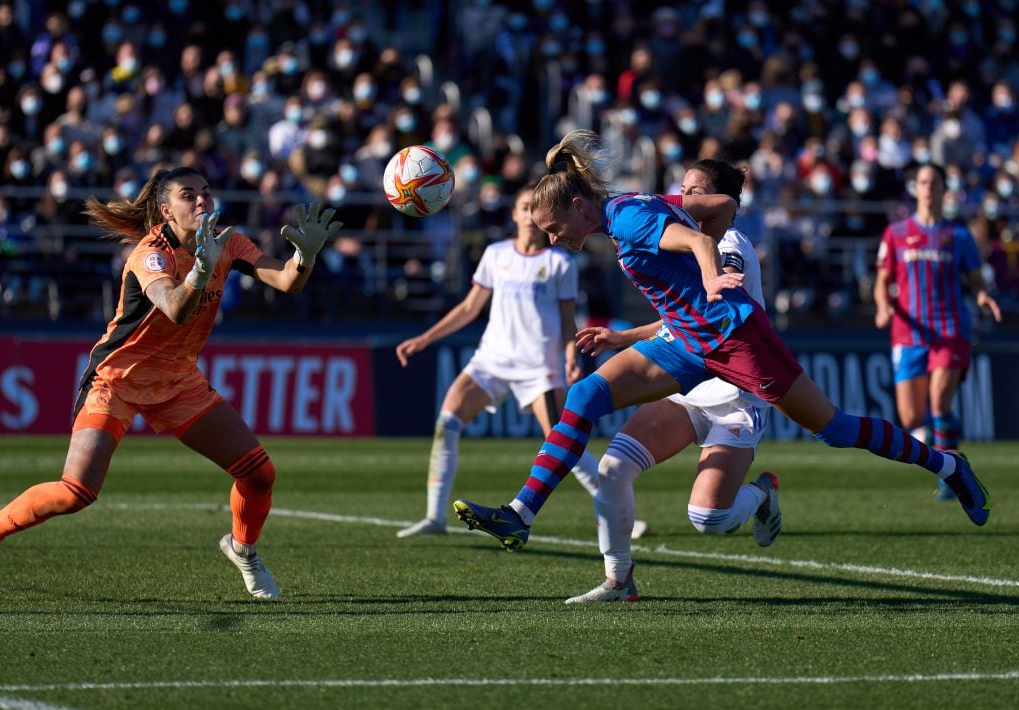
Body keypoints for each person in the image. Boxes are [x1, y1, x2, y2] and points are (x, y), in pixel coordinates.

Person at [453, 130, 991, 590]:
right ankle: (520, 514)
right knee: (585, 395)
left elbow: (700, 242)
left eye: (553, 228)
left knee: (836, 428)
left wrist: (710, 273)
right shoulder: (632, 208)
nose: (552, 238)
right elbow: (715, 209)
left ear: (576, 206)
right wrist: (638, 327)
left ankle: (947, 464)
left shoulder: (628, 220)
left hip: (736, 341)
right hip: (687, 343)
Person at [0, 166, 343, 601]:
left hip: (178, 380)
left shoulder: (229, 242)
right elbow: (175, 308)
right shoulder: (150, 253)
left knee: (259, 474)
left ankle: (243, 549)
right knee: (77, 492)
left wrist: (305, 257)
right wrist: (201, 268)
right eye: (188, 195)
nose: (202, 201)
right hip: (118, 379)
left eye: (206, 192)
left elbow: (288, 281)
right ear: (166, 210)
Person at [566, 159, 779, 603]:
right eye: (683, 188)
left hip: (735, 392)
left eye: (695, 191)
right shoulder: (683, 235)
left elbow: (716, 304)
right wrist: (625, 337)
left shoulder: (730, 243)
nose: (684, 198)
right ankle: (619, 579)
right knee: (613, 469)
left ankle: (760, 494)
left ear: (722, 202)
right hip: (689, 385)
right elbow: (681, 321)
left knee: (708, 518)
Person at [394, 183, 649, 539]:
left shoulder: (559, 261)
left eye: (534, 208)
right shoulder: (496, 254)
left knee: (562, 442)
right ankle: (435, 517)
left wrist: (570, 356)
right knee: (447, 423)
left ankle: (622, 513)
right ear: (513, 214)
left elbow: (566, 320)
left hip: (538, 367)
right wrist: (424, 339)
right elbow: (469, 308)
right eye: (523, 207)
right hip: (491, 360)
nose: (529, 215)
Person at [874, 164, 1002, 501]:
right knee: (912, 418)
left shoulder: (959, 236)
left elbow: (975, 281)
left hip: (949, 329)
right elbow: (882, 282)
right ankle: (950, 460)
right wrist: (883, 305)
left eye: (935, 182)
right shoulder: (896, 233)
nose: (928, 188)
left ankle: (951, 476)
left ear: (945, 189)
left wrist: (983, 296)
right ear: (915, 188)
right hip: (907, 332)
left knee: (941, 397)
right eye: (924, 182)